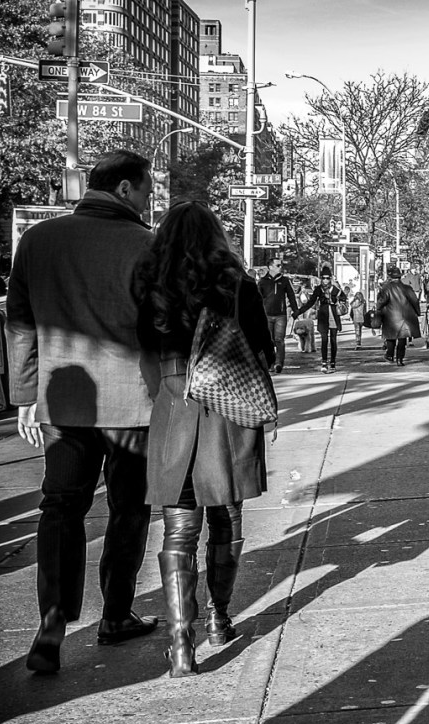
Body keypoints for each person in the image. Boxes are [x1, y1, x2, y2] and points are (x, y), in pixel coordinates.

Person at [5, 149, 158, 673]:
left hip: (63, 403)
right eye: (146, 188)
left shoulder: (39, 240)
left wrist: (25, 395)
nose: (150, 197)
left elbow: (20, 324)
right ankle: (115, 615)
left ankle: (51, 621)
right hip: (134, 403)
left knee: (61, 508)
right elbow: (161, 326)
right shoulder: (146, 245)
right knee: (129, 510)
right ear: (123, 189)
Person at [137, 200, 275, 677]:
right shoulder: (238, 284)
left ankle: (180, 646)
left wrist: (166, 392)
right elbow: (264, 350)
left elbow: (143, 352)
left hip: (173, 405)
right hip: (227, 409)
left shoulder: (150, 285)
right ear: (216, 237)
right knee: (227, 515)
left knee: (179, 528)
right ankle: (219, 618)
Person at [295, 265, 347, 373]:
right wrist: (299, 311)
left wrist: (337, 302)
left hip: (333, 315)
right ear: (321, 278)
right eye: (323, 278)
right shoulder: (318, 289)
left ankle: (332, 362)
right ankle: (324, 362)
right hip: (323, 316)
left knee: (333, 340)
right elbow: (311, 302)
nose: (325, 280)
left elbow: (343, 298)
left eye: (328, 278)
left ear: (331, 278)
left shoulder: (336, 289)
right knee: (324, 340)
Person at [257, 257, 298, 374]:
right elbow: (257, 298)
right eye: (278, 265)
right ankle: (270, 363)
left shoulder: (284, 281)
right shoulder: (262, 281)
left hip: (281, 315)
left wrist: (296, 310)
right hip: (266, 315)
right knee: (268, 341)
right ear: (270, 267)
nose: (281, 267)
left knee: (279, 339)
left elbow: (291, 296)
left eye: (281, 265)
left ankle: (279, 363)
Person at [376, 264, 421, 366]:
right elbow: (415, 301)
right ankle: (400, 359)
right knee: (402, 339)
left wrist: (378, 310)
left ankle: (390, 355)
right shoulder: (407, 288)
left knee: (391, 338)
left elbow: (381, 302)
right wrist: (418, 312)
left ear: (390, 277)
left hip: (390, 317)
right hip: (405, 317)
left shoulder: (386, 288)